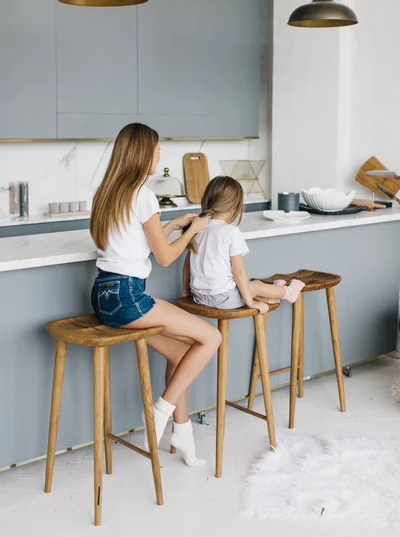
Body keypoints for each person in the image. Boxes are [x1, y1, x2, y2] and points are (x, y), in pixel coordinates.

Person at [90, 123, 221, 467]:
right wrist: (193, 229)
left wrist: (172, 226)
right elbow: (164, 257)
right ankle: (160, 412)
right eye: (157, 149)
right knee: (211, 337)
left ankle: (183, 433)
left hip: (106, 295)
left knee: (179, 354)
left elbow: (131, 246)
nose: (159, 154)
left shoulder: (110, 192)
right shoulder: (144, 195)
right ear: (143, 154)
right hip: (131, 297)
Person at [182, 176, 305, 313]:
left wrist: (186, 293)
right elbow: (238, 272)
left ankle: (271, 296)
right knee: (256, 285)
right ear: (235, 207)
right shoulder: (231, 232)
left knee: (249, 287)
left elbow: (187, 265)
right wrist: (250, 302)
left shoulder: (198, 228)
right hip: (223, 299)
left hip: (199, 297)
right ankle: (288, 292)